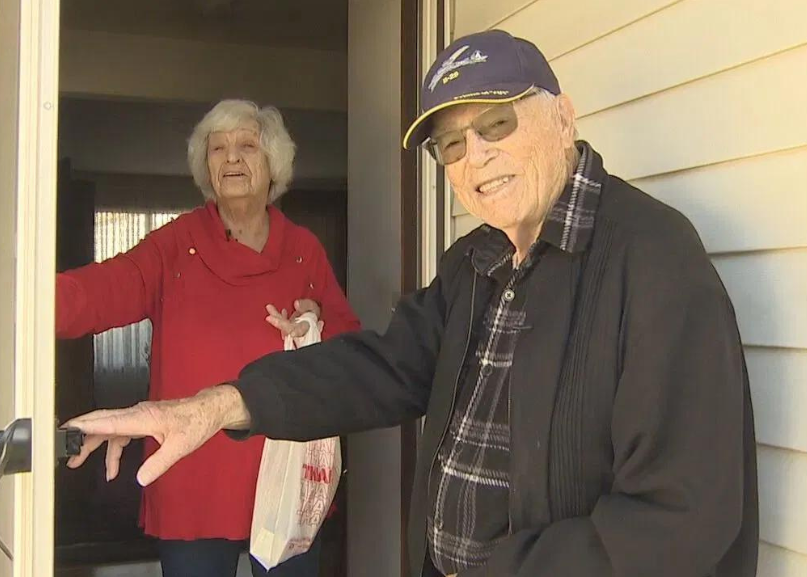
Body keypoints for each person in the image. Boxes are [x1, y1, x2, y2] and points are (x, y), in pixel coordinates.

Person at [66, 31, 758, 577]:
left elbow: (681, 519)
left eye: (496, 122)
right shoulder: (477, 261)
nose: (476, 155)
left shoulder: (654, 259)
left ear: (563, 116)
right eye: (451, 143)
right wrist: (215, 405)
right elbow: (382, 365)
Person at [56, 99, 360, 577]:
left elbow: (349, 340)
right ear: (206, 167)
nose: (232, 158)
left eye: (246, 146)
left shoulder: (303, 250)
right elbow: (105, 289)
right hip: (192, 466)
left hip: (282, 471)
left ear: (273, 163)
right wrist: (23, 305)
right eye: (218, 149)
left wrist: (317, 320)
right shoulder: (176, 244)